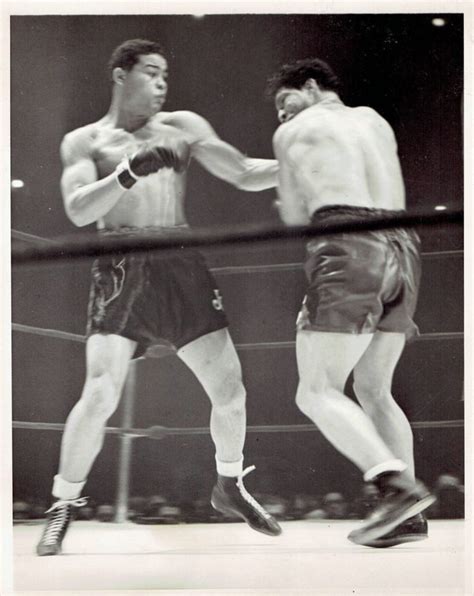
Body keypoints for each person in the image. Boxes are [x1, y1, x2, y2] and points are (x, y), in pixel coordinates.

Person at [36, 39, 282, 556]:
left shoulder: (183, 127)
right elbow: (79, 211)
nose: (163, 82)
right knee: (101, 391)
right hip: (121, 264)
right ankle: (62, 505)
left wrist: (302, 164)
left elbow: (242, 171)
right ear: (120, 75)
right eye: (151, 72)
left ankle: (230, 484)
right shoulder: (85, 140)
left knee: (231, 389)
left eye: (166, 73)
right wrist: (130, 170)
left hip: (181, 262)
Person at [266, 58, 435, 547]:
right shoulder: (373, 120)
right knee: (375, 389)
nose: (283, 116)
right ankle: (407, 518)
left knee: (315, 390)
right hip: (404, 246)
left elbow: (297, 215)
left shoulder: (295, 131)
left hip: (347, 244)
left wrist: (286, 198)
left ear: (312, 86)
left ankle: (395, 487)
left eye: (285, 101)